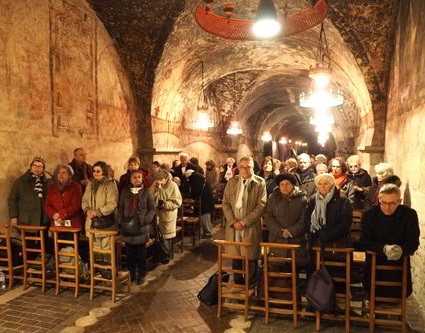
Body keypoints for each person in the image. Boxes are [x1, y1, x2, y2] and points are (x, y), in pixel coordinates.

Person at [360, 184, 420, 298]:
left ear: (399, 201)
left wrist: (402, 250)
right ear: (379, 199)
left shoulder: (409, 215)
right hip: (374, 267)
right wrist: (383, 248)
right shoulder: (370, 215)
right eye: (384, 203)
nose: (387, 207)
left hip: (399, 271)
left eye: (392, 203)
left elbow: (413, 242)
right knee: (372, 289)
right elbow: (364, 241)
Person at [222, 156, 267, 288]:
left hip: (250, 226)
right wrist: (233, 221)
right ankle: (238, 285)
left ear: (253, 167)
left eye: (249, 166)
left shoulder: (260, 183)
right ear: (239, 168)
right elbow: (226, 204)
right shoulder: (232, 182)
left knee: (250, 257)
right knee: (236, 256)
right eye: (242, 166)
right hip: (234, 226)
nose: (245, 169)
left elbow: (261, 205)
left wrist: (244, 221)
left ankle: (251, 286)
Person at [117, 169, 156, 285]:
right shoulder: (125, 192)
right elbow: (120, 207)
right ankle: (132, 274)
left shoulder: (147, 192)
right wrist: (120, 221)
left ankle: (142, 274)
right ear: (130, 179)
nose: (137, 179)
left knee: (141, 254)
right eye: (134, 177)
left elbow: (152, 209)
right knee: (130, 254)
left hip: (141, 227)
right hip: (128, 227)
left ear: (142, 178)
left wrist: (146, 220)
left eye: (139, 177)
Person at [263, 173, 308, 266]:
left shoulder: (302, 198)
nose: (285, 187)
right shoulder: (273, 198)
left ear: (292, 185)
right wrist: (279, 231)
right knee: (277, 269)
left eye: (287, 184)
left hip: (296, 241)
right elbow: (268, 216)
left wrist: (291, 231)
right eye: (282, 184)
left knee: (295, 270)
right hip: (277, 239)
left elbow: (304, 219)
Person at [81, 161, 118, 258]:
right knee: (95, 251)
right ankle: (97, 270)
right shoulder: (90, 185)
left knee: (106, 251)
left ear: (104, 172)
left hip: (105, 224)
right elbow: (84, 200)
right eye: (94, 171)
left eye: (98, 171)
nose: (95, 173)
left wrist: (97, 212)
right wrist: (87, 210)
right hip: (91, 223)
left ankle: (107, 270)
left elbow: (112, 204)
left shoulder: (110, 185)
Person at [306, 173, 352, 248]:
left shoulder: (342, 199)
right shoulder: (313, 199)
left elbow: (346, 222)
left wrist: (329, 235)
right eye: (320, 184)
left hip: (338, 241)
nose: (322, 187)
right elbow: (307, 218)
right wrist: (317, 232)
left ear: (332, 184)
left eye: (326, 184)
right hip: (317, 240)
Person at [8, 157, 51, 229]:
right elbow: (12, 200)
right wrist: (13, 217)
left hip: (43, 221)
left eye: (40, 166)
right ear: (31, 167)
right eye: (34, 166)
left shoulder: (47, 182)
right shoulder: (21, 181)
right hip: (26, 220)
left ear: (43, 169)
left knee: (43, 239)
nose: (37, 168)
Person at [149, 169, 182, 254]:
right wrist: (155, 190)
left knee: (166, 237)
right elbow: (149, 198)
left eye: (160, 179)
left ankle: (167, 254)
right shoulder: (154, 185)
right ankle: (158, 255)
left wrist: (165, 204)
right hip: (156, 215)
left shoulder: (173, 186)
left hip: (167, 215)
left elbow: (177, 201)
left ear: (166, 179)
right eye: (157, 179)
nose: (158, 181)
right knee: (156, 235)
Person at [44, 164, 83, 233]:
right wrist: (54, 215)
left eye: (64, 173)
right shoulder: (52, 188)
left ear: (69, 175)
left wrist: (61, 214)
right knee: (57, 243)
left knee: (70, 243)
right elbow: (47, 205)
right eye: (59, 172)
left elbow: (76, 205)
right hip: (56, 224)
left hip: (72, 224)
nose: (61, 175)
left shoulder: (76, 187)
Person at [184, 169, 214, 239]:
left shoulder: (195, 178)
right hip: (206, 199)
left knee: (204, 215)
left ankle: (207, 232)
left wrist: (191, 197)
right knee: (205, 215)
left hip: (204, 200)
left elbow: (196, 190)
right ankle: (206, 232)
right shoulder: (198, 176)